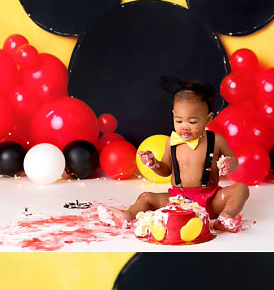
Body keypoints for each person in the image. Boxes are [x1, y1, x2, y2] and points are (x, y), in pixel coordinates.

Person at [97, 77, 249, 232]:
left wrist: (229, 163)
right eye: (179, 121)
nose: (185, 127)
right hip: (178, 200)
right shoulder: (172, 142)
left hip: (211, 199)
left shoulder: (216, 141)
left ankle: (225, 217)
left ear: (208, 119)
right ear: (173, 115)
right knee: (146, 197)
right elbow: (166, 170)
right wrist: (154, 164)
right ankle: (128, 215)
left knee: (241, 189)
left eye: (192, 122)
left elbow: (235, 161)